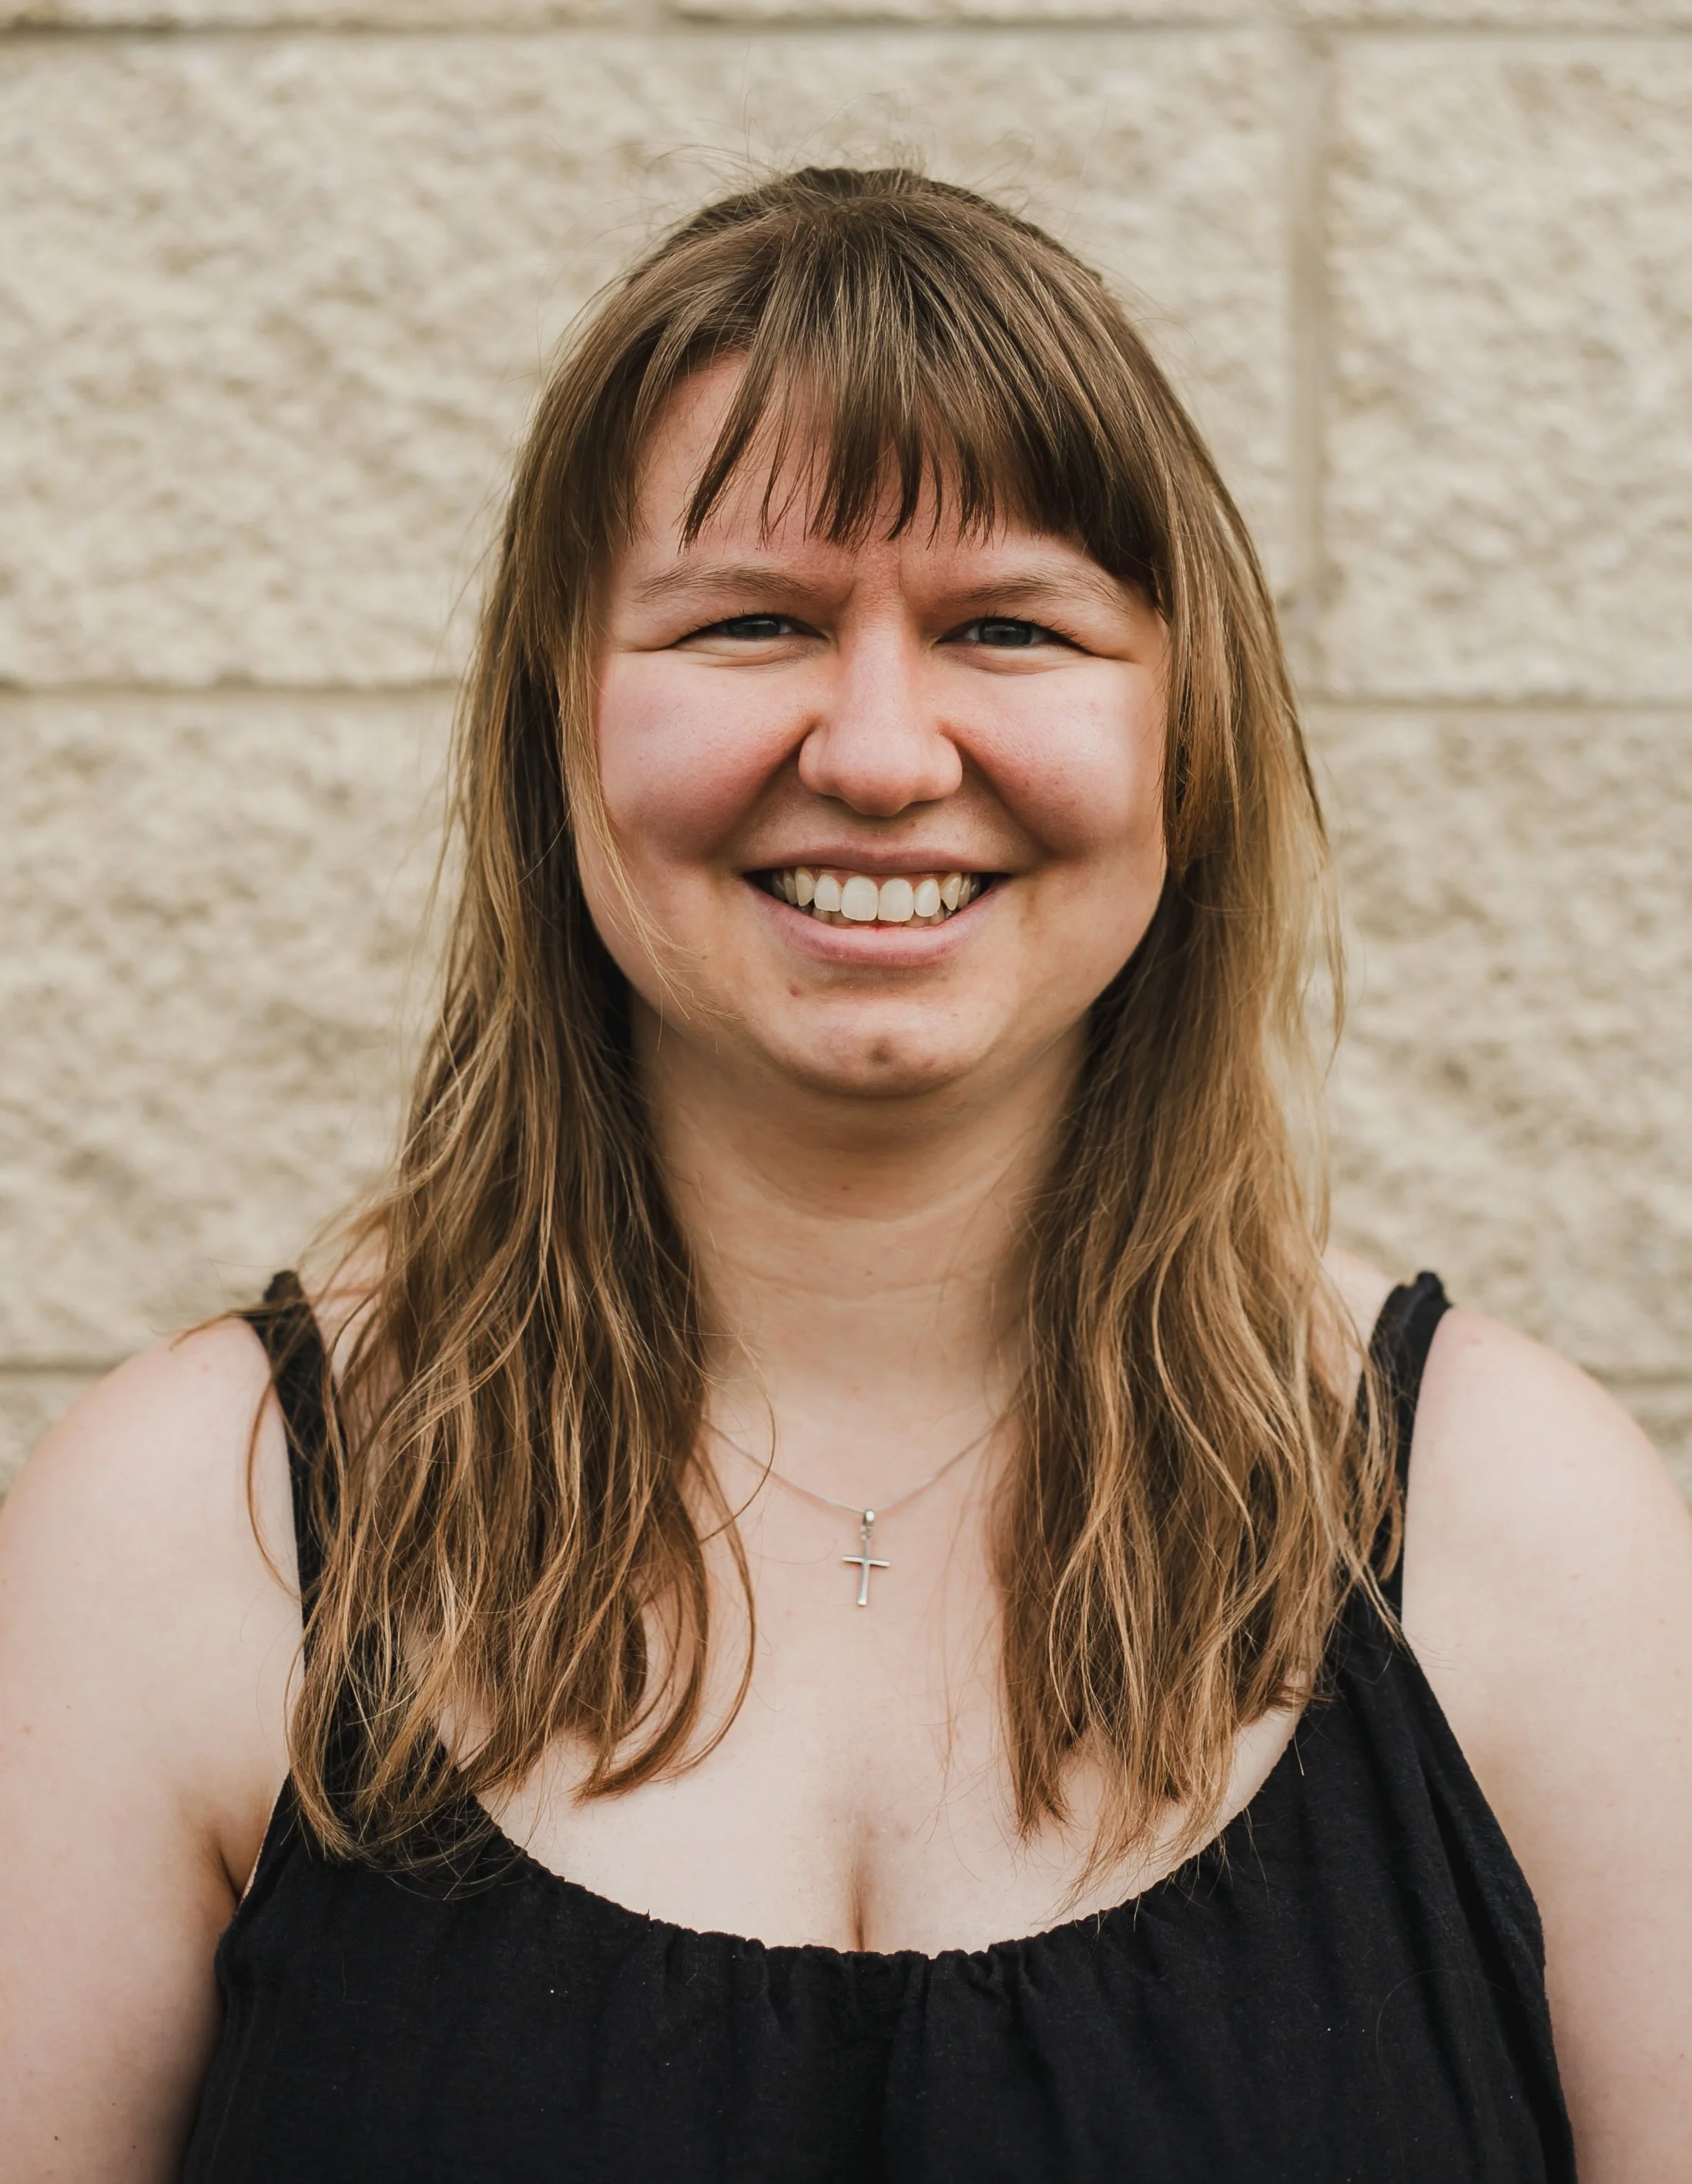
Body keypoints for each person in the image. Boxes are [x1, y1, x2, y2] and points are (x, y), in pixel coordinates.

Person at [2, 168, 1688, 2182]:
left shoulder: (1518, 1533)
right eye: (750, 622)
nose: (881, 752)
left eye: (1006, 625)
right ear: (564, 718)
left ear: (1188, 728)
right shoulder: (208, 1536)